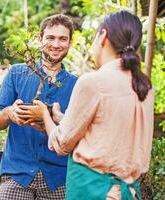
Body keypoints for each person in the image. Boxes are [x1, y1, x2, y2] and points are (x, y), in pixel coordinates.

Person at [29, 10, 154, 199]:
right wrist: (61, 118)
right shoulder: (144, 85)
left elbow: (61, 144)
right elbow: (105, 131)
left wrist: (44, 116)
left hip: (95, 191)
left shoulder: (93, 82)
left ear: (102, 36)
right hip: (129, 192)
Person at [0, 14, 77, 200]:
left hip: (58, 178)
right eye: (50, 38)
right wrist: (9, 113)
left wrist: (49, 117)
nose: (56, 44)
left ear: (70, 42)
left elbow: (75, 133)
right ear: (40, 40)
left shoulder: (77, 85)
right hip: (18, 174)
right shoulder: (16, 73)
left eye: (63, 39)